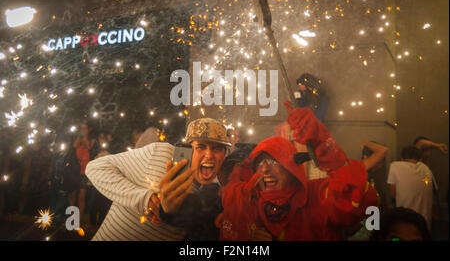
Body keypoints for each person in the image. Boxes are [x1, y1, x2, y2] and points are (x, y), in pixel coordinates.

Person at [219, 103, 379, 240]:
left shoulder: (316, 195)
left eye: (274, 161)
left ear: (292, 167)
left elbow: (360, 200)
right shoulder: (250, 204)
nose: (265, 169)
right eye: (259, 163)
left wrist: (324, 144)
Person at [85, 118, 231, 241]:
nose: (209, 155)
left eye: (217, 149)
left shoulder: (217, 190)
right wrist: (145, 198)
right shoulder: (161, 154)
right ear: (187, 148)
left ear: (224, 154)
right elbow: (95, 168)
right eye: (201, 146)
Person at [387, 146, 434, 229]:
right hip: (425, 222)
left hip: (406, 221)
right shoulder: (427, 169)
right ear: (420, 159)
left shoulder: (395, 166)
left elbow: (393, 193)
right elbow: (428, 186)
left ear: (402, 158)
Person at [71, 122, 96, 223]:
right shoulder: (77, 138)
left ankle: (78, 221)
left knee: (82, 196)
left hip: (84, 172)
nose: (83, 130)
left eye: (85, 128)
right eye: (81, 128)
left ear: (88, 130)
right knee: (72, 195)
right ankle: (71, 220)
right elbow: (73, 146)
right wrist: (79, 138)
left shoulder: (91, 139)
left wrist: (85, 137)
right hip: (75, 170)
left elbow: (90, 148)